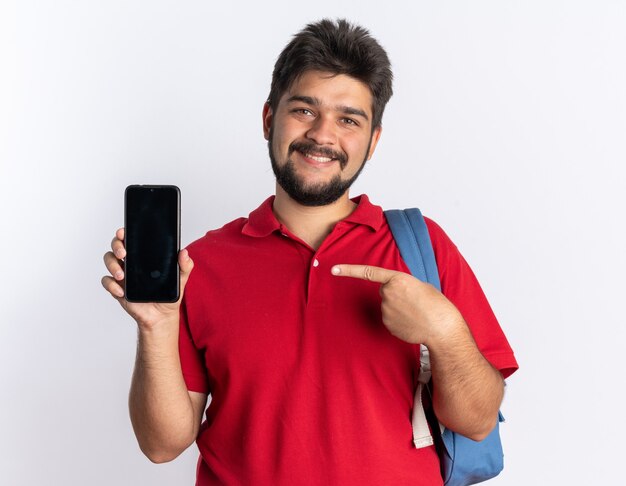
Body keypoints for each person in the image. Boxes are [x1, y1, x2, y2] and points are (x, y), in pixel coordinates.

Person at [102, 18, 518, 485]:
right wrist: (157, 327)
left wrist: (445, 331)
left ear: (372, 141)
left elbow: (478, 421)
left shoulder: (423, 246)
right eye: (304, 110)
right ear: (268, 120)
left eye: (348, 119)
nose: (323, 135)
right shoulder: (203, 262)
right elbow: (162, 445)